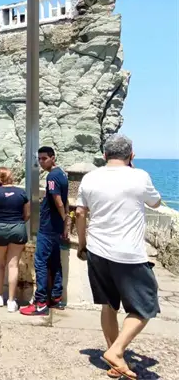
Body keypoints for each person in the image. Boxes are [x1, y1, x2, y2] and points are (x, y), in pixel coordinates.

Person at [75, 134, 162, 380]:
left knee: (108, 305)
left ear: (104, 155)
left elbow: (80, 213)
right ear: (131, 155)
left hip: (97, 250)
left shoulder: (90, 177)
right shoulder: (139, 176)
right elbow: (156, 203)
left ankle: (116, 360)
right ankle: (116, 351)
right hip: (128, 253)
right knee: (146, 305)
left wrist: (82, 244)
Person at [20, 146, 69, 316]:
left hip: (48, 227)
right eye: (39, 159)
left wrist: (64, 218)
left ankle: (40, 303)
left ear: (53, 158)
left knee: (40, 262)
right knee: (55, 262)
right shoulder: (63, 174)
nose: (41, 162)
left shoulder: (52, 177)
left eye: (44, 159)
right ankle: (56, 297)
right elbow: (65, 200)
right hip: (56, 228)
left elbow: (58, 200)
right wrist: (65, 223)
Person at [0, 168, 29, 312]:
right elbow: (27, 214)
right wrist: (18, 223)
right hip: (18, 227)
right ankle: (11, 301)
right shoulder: (22, 193)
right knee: (13, 265)